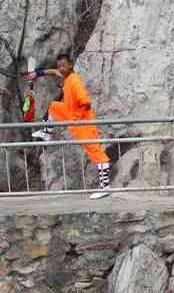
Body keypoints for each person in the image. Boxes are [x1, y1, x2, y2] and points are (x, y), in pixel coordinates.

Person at [27, 53, 113, 199]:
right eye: (59, 65)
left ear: (70, 65)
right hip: (71, 115)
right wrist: (38, 73)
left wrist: (79, 117)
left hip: (82, 123)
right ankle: (46, 133)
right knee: (54, 106)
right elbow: (54, 71)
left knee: (96, 153)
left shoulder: (74, 82)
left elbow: (86, 102)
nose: (60, 68)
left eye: (63, 65)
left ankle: (105, 187)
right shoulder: (66, 77)